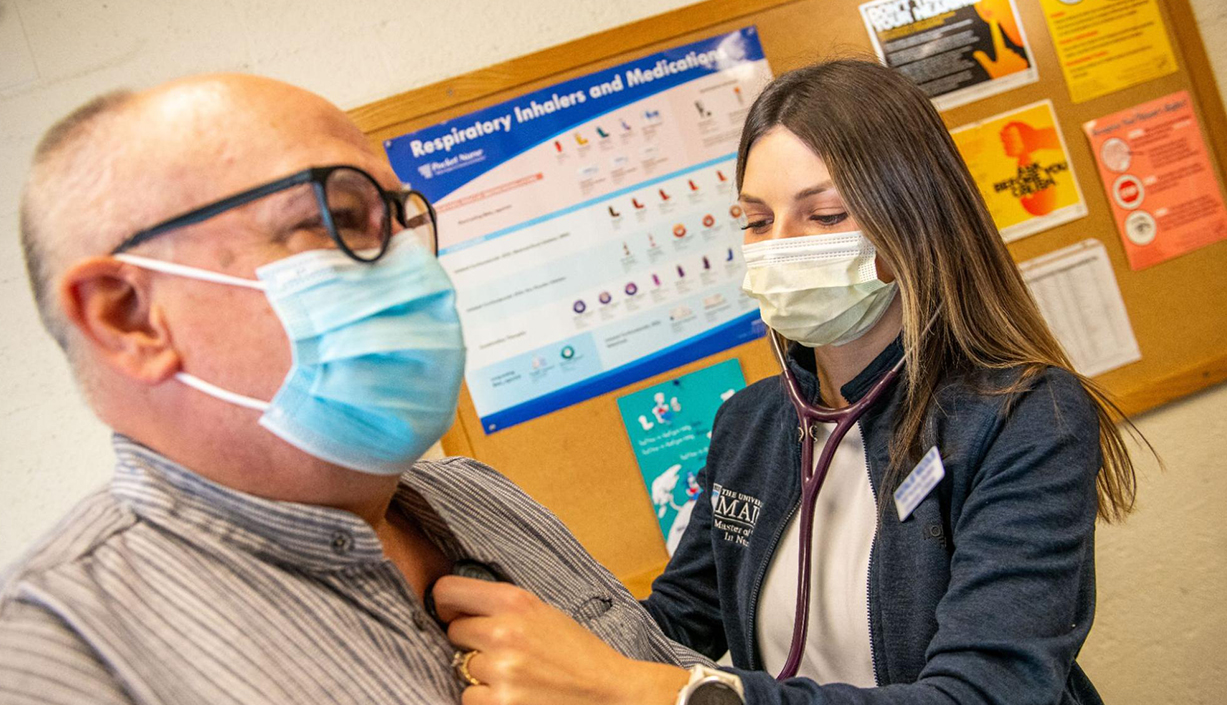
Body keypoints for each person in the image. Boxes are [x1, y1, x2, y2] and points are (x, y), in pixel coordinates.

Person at [432, 59, 1147, 704]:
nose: (777, 249)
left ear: (913, 220)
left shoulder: (1025, 416)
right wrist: (543, 647)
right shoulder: (749, 422)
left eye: (824, 215)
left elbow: (986, 692)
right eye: (755, 221)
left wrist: (678, 695)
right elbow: (681, 616)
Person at [0, 74, 711, 705]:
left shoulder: (480, 494)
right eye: (337, 219)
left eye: (401, 218)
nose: (411, 265)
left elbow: (665, 671)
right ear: (128, 318)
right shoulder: (57, 655)